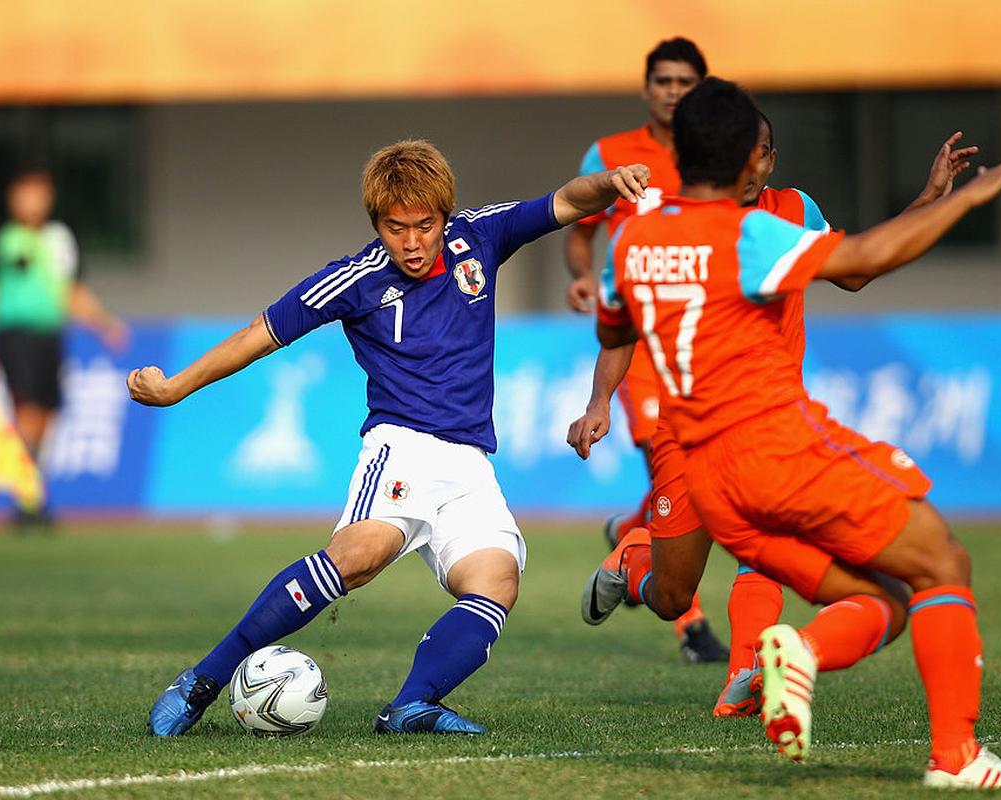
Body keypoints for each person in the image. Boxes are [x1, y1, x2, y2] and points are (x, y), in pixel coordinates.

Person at [577, 78, 1001, 788]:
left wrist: (600, 399)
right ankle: (954, 756)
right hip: (774, 448)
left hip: (709, 476)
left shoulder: (630, 240)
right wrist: (970, 200)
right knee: (943, 563)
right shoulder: (750, 230)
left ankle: (794, 651)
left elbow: (615, 328)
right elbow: (861, 261)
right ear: (747, 163)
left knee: (883, 601)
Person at [128, 139, 650, 737]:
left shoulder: (479, 236)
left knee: (495, 580)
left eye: (425, 226)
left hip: (471, 463)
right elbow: (256, 335)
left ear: (445, 217)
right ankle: (202, 680)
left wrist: (608, 183)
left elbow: (563, 201)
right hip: (401, 448)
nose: (411, 242)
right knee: (360, 557)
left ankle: (410, 705)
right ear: (377, 223)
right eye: (395, 227)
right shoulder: (354, 279)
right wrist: (174, 389)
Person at [563, 35, 727, 663]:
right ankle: (693, 629)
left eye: (686, 82)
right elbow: (579, 225)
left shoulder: (716, 155)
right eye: (664, 81)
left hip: (705, 343)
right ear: (646, 88)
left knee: (698, 473)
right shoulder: (609, 155)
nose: (673, 92)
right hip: (638, 341)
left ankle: (631, 537)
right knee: (672, 466)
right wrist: (582, 273)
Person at [0, 167, 128, 529]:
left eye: (41, 193)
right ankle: (27, 499)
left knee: (47, 414)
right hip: (15, 335)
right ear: (13, 197)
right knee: (26, 409)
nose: (34, 201)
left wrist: (105, 323)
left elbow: (72, 292)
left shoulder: (60, 239)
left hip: (51, 336)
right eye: (27, 193)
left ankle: (31, 489)